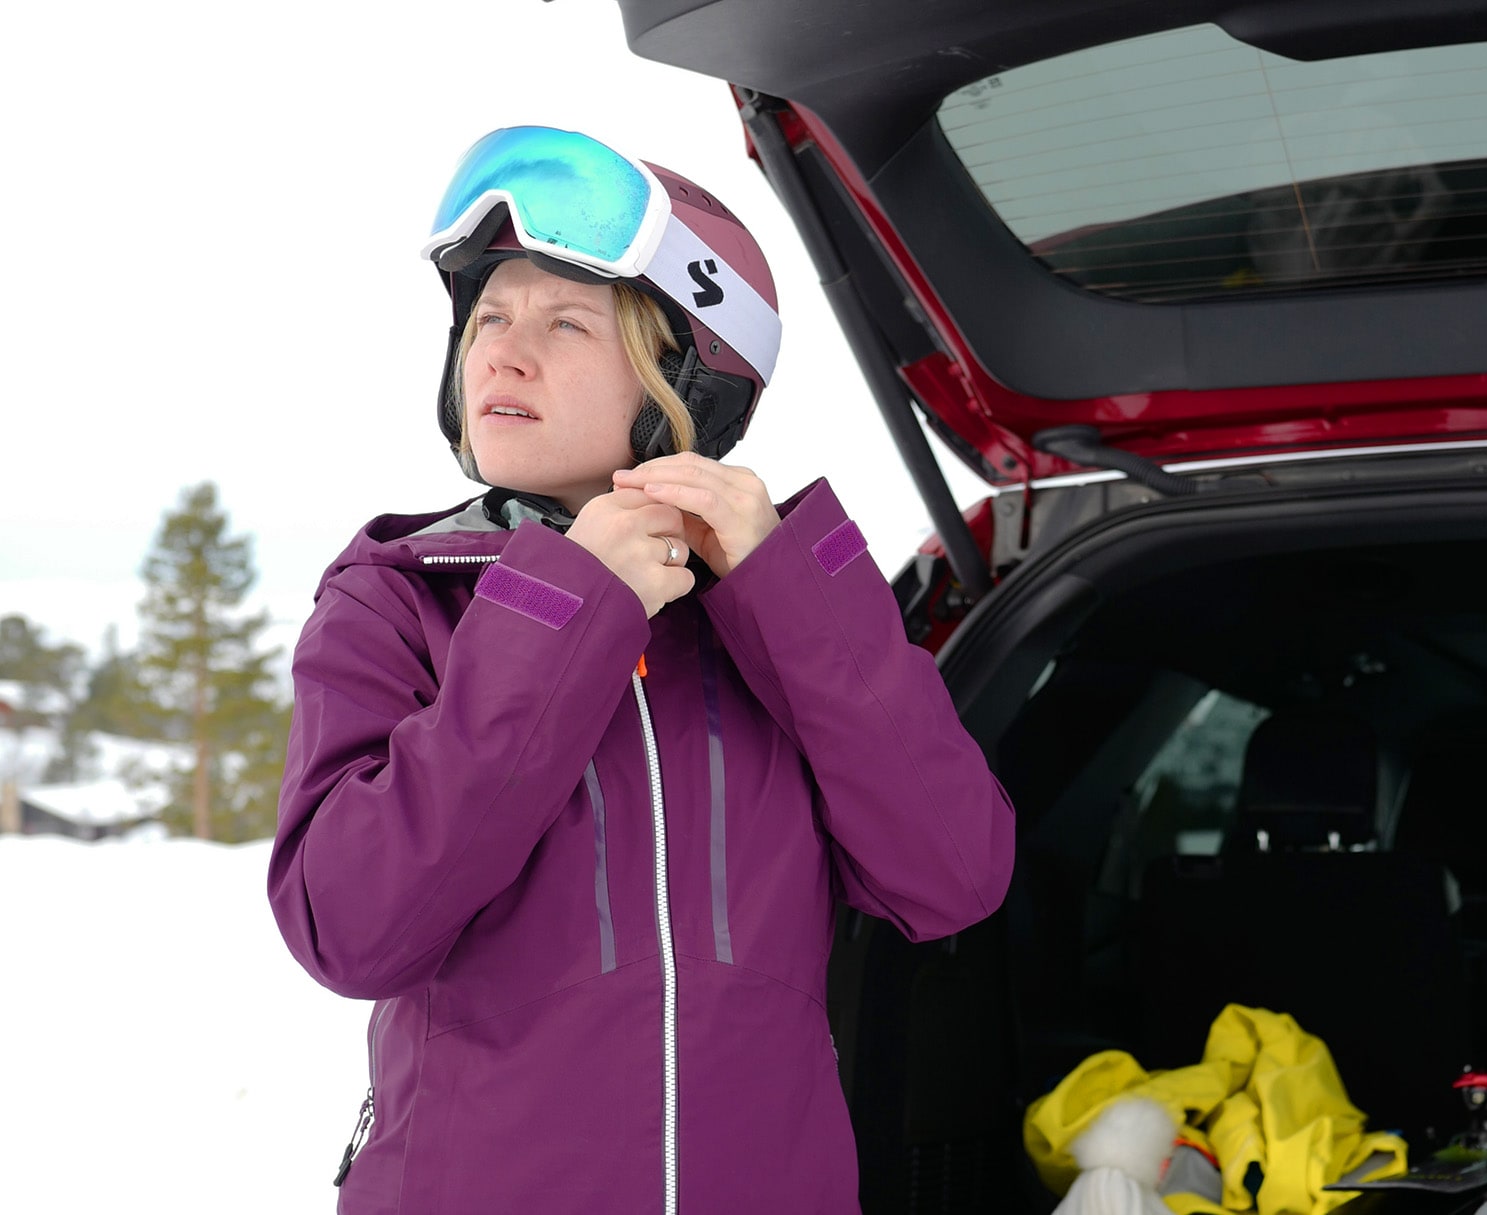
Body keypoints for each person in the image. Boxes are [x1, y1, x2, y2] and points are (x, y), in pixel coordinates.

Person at [266, 125, 1015, 1214]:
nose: (501, 354)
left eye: (565, 323)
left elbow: (951, 877)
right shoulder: (397, 597)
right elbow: (352, 925)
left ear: (686, 379)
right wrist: (567, 611)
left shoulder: (777, 615)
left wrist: (789, 594)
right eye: (488, 319)